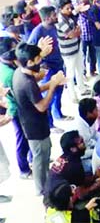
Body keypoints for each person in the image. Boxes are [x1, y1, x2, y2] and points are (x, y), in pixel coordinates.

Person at [12, 42, 66, 195]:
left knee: (43, 155)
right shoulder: (27, 82)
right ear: (29, 62)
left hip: (33, 122)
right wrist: (53, 86)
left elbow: (34, 93)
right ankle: (41, 189)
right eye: (37, 59)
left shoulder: (20, 74)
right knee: (40, 159)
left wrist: (49, 84)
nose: (40, 62)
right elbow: (41, 106)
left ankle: (44, 182)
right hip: (35, 126)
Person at [28, 6, 70, 126]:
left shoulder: (53, 27)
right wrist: (42, 62)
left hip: (58, 63)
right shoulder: (38, 31)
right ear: (46, 18)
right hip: (48, 67)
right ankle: (49, 123)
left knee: (59, 91)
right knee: (48, 95)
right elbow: (29, 51)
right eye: (53, 15)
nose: (56, 16)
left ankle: (58, 114)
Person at [45, 131, 100, 202]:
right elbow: (82, 194)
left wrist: (95, 176)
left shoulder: (67, 158)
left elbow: (79, 181)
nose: (84, 144)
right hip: (56, 204)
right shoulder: (73, 166)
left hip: (53, 196)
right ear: (73, 149)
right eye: (81, 142)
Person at [0, 42, 32, 179]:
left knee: (27, 136)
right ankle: (24, 169)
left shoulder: (7, 65)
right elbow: (13, 98)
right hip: (17, 110)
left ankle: (31, 159)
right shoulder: (10, 74)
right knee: (22, 138)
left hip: (19, 107)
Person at [65, 98, 100, 173]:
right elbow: (81, 153)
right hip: (78, 158)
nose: (98, 111)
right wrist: (97, 151)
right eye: (96, 109)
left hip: (88, 148)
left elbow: (94, 134)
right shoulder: (79, 130)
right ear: (88, 113)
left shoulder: (90, 119)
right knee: (99, 165)